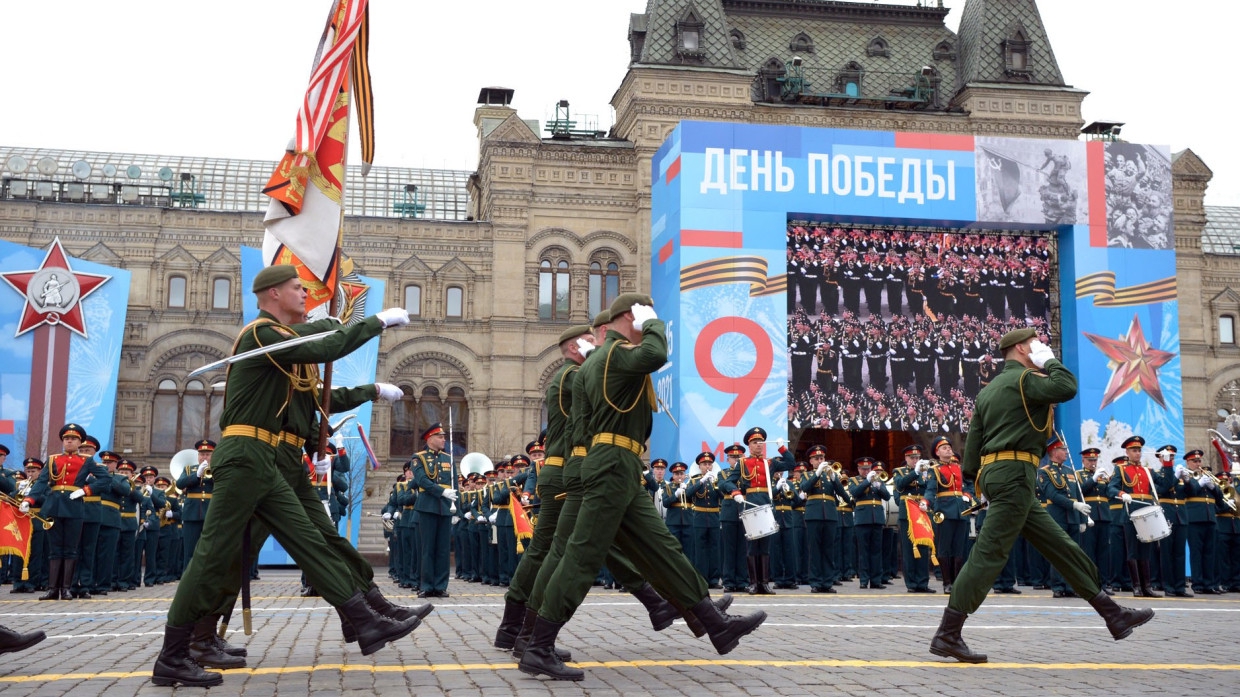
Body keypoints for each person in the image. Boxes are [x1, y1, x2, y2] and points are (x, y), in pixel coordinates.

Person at [150, 264, 423, 687]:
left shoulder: (284, 346)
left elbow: (314, 397)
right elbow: (326, 349)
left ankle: (365, 617)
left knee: (311, 539)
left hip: (270, 457)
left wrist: (366, 391)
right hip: (247, 454)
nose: (304, 294)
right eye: (297, 288)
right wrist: (374, 322)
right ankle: (174, 653)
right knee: (215, 555)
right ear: (273, 294)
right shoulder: (260, 334)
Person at [521, 294, 766, 680]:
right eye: (643, 315)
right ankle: (537, 645)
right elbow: (654, 354)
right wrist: (652, 324)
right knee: (582, 557)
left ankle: (714, 624)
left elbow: (580, 428)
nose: (650, 322)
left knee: (660, 547)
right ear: (630, 317)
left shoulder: (592, 366)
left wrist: (591, 465)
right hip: (613, 464)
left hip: (615, 465)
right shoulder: (614, 354)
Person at [930, 328, 1153, 663]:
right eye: (1036, 344)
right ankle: (948, 634)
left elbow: (973, 450)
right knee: (989, 552)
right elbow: (1067, 387)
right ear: (1022, 348)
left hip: (1002, 476)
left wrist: (984, 483)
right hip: (1016, 474)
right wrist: (1049, 361)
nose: (1041, 347)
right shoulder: (1025, 380)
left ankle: (1112, 613)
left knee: (1060, 545)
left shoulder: (987, 392)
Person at [20, 423, 108, 601]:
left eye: (73, 439)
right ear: (63, 441)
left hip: (74, 506)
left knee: (70, 549)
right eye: (67, 438)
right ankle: (53, 589)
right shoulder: (53, 460)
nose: (69, 441)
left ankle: (66, 589)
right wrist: (29, 500)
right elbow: (41, 482)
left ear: (79, 442)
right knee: (54, 549)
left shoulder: (86, 460)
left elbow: (105, 479)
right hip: (54, 506)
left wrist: (86, 490)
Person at [730, 426, 797, 594]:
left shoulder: (770, 463)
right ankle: (753, 583)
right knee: (752, 546)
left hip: (766, 505)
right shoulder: (743, 462)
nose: (759, 445)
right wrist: (736, 492)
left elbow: (791, 463)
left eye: (761, 442)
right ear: (749, 445)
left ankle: (764, 583)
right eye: (755, 442)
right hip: (751, 505)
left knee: (765, 547)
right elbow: (728, 481)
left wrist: (782, 448)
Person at [1107, 436, 1161, 598]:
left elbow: (1165, 485)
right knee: (1132, 551)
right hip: (1131, 512)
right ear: (1127, 452)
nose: (1137, 454)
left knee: (1145, 550)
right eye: (1134, 450)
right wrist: (1121, 493)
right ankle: (1136, 586)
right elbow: (1111, 488)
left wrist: (1168, 465)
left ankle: (1147, 587)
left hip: (1146, 511)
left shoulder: (1147, 470)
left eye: (1139, 451)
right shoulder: (1121, 469)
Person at [892, 444, 935, 593]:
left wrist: (924, 473)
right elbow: (899, 485)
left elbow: (931, 488)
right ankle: (911, 583)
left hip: (922, 511)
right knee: (909, 549)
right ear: (906, 458)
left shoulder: (926, 472)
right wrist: (915, 473)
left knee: (923, 547)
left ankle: (923, 582)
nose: (916, 460)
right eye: (912, 458)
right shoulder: (899, 471)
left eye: (917, 457)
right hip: (907, 513)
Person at [176, 440, 215, 572]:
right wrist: (197, 475)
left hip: (211, 514)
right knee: (190, 550)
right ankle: (189, 580)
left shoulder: (217, 469)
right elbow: (180, 484)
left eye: (207, 455)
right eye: (202, 454)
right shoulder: (188, 469)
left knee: (210, 549)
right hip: (191, 514)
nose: (204, 457)